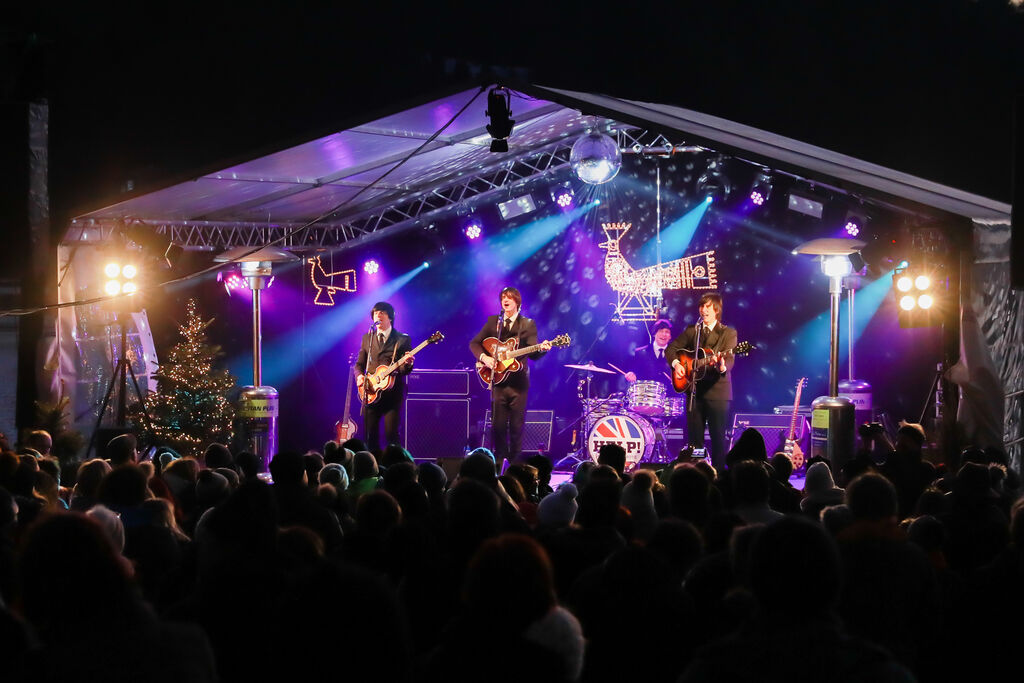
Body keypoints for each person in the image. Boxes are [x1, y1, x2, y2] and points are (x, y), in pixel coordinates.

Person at [470, 287, 551, 463]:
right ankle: (500, 463)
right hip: (498, 382)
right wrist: (485, 358)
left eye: (509, 298)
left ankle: (514, 465)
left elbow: (533, 354)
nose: (505, 300)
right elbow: (474, 343)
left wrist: (542, 349)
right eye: (503, 298)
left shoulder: (527, 324)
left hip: (518, 384)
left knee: (516, 427)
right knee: (498, 427)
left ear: (517, 302)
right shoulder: (494, 322)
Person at [666, 292, 736, 472]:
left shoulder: (728, 333)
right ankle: (697, 469)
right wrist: (677, 364)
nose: (703, 310)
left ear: (716, 309)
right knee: (695, 439)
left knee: (717, 436)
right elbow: (671, 349)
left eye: (707, 306)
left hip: (717, 393)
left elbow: (729, 361)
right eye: (701, 306)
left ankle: (718, 473)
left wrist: (722, 366)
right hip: (694, 392)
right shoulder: (693, 331)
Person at [355, 301, 413, 454]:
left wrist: (407, 364)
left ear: (390, 317)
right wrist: (360, 377)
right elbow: (359, 364)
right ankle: (372, 465)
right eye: (375, 313)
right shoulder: (367, 338)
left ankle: (395, 465)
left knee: (391, 435)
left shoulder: (402, 339)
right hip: (371, 393)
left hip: (392, 396)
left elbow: (403, 370)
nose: (378, 315)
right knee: (370, 436)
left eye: (382, 312)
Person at [624, 319, 673, 385]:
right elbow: (633, 372)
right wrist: (631, 375)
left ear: (670, 336)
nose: (664, 334)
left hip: (669, 391)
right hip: (646, 390)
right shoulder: (640, 353)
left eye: (667, 332)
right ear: (654, 334)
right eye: (660, 331)